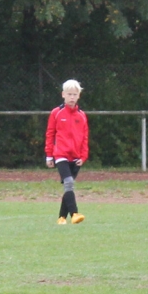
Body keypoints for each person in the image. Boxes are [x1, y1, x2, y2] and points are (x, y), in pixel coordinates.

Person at [45, 79, 89, 225]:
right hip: (60, 155)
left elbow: (85, 137)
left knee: (68, 186)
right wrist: (49, 155)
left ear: (79, 96)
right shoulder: (56, 113)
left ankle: (61, 217)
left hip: (76, 156)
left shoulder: (82, 115)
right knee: (69, 182)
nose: (72, 97)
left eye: (74, 94)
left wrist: (83, 156)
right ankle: (74, 214)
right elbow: (50, 134)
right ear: (63, 94)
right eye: (69, 94)